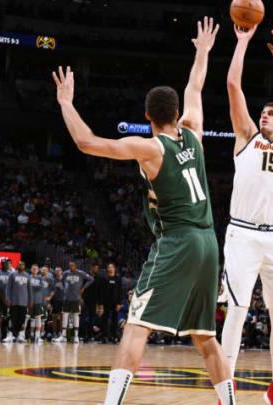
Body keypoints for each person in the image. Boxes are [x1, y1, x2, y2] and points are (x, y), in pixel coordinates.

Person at [52, 17, 235, 405]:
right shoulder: (194, 131)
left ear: (148, 115)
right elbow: (196, 86)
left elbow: (86, 143)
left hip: (180, 241)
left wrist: (66, 103)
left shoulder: (152, 148)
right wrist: (202, 51)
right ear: (175, 113)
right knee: (205, 337)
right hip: (208, 243)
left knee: (136, 325)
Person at [220, 22, 273, 405]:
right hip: (242, 234)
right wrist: (241, 43)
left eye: (272, 114)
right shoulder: (246, 138)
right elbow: (233, 86)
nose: (265, 116)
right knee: (237, 311)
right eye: (264, 113)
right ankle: (226, 388)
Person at [52, 261, 94, 343]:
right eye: (70, 265)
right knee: (64, 316)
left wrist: (83, 288)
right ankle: (63, 336)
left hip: (76, 298)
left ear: (75, 266)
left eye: (73, 265)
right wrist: (66, 289)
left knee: (75, 316)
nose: (71, 267)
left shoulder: (81, 273)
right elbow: (62, 281)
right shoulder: (66, 273)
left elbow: (91, 279)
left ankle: (76, 336)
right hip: (66, 298)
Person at [4, 261, 31, 343]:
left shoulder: (27, 276)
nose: (21, 266)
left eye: (22, 265)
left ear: (24, 266)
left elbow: (29, 290)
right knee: (12, 319)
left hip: (24, 302)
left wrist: (30, 300)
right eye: (19, 264)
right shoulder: (12, 274)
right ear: (17, 266)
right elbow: (8, 288)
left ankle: (20, 335)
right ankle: (10, 335)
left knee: (22, 320)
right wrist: (8, 298)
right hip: (14, 301)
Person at [99, 263, 124, 343]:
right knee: (105, 320)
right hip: (106, 302)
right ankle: (104, 337)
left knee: (114, 320)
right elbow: (101, 292)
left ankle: (114, 337)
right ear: (107, 269)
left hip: (115, 303)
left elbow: (120, 292)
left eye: (112, 267)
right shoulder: (104, 278)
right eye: (109, 267)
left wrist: (119, 303)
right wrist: (101, 304)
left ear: (114, 268)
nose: (110, 268)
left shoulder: (118, 278)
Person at [28, 264, 47, 343]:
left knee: (38, 318)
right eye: (33, 268)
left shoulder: (40, 278)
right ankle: (31, 335)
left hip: (38, 301)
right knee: (30, 319)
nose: (34, 270)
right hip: (29, 301)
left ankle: (37, 336)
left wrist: (32, 286)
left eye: (36, 269)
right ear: (31, 269)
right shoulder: (28, 277)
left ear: (38, 270)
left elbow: (41, 287)